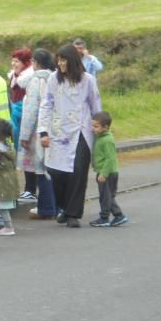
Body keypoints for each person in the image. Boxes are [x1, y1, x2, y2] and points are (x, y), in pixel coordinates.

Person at [38, 44, 102, 229]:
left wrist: (101, 129)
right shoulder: (53, 79)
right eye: (58, 59)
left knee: (77, 172)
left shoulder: (87, 80)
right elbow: (46, 104)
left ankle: (73, 213)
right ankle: (63, 207)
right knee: (56, 171)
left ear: (72, 60)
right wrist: (43, 130)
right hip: (58, 131)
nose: (60, 63)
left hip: (81, 131)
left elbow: (95, 103)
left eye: (63, 59)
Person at [17, 49, 57, 220]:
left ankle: (46, 207)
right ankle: (57, 205)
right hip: (55, 128)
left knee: (40, 168)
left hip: (39, 130)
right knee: (53, 168)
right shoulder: (54, 78)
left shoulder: (37, 80)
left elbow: (31, 110)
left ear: (34, 63)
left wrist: (24, 135)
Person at [89, 111, 128, 228]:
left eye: (96, 126)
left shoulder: (107, 140)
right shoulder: (101, 137)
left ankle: (105, 217)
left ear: (105, 127)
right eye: (92, 126)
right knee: (108, 196)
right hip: (103, 172)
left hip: (107, 173)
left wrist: (103, 174)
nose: (93, 129)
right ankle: (117, 216)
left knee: (106, 197)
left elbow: (110, 159)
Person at [8, 47, 36, 202]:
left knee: (29, 154)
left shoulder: (28, 79)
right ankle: (29, 188)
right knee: (24, 155)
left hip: (26, 119)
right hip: (17, 117)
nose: (13, 64)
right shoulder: (14, 77)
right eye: (13, 60)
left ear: (26, 63)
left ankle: (31, 189)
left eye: (17, 61)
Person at [0, 118, 19, 237]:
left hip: (0, 181)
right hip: (10, 179)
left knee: (2, 207)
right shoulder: (10, 146)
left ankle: (8, 226)